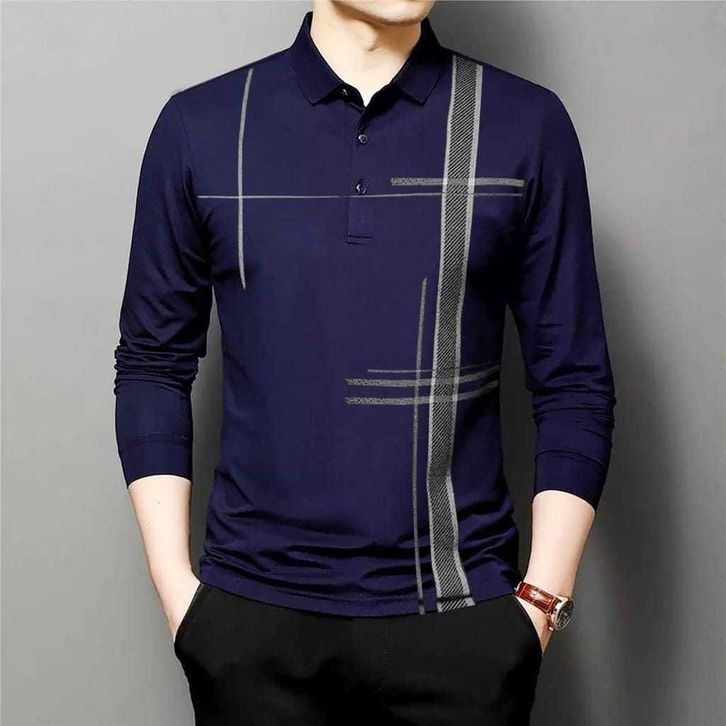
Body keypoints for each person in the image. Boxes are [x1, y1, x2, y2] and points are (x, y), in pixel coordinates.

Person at [113, 1, 616, 723]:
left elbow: (574, 380)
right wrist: (181, 599)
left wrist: (538, 603)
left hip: (463, 623)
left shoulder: (525, 125)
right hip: (251, 627)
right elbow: (152, 365)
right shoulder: (203, 125)